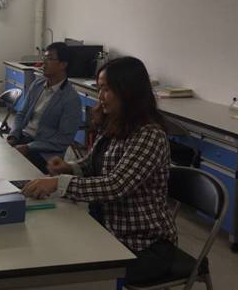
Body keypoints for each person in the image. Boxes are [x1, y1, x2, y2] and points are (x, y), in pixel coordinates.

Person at [22, 57, 177, 286]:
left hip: (143, 245)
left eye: (107, 90)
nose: (101, 97)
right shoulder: (117, 124)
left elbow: (115, 186)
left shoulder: (149, 135)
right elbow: (93, 163)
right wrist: (69, 167)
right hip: (107, 230)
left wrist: (58, 183)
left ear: (128, 91)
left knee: (63, 271)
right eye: (99, 89)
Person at [7, 42, 81, 173]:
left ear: (63, 64)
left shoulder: (71, 98)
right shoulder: (38, 84)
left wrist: (29, 147)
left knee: (13, 170)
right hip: (24, 138)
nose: (44, 63)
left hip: (45, 151)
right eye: (44, 58)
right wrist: (13, 136)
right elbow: (21, 114)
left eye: (50, 59)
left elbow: (63, 139)